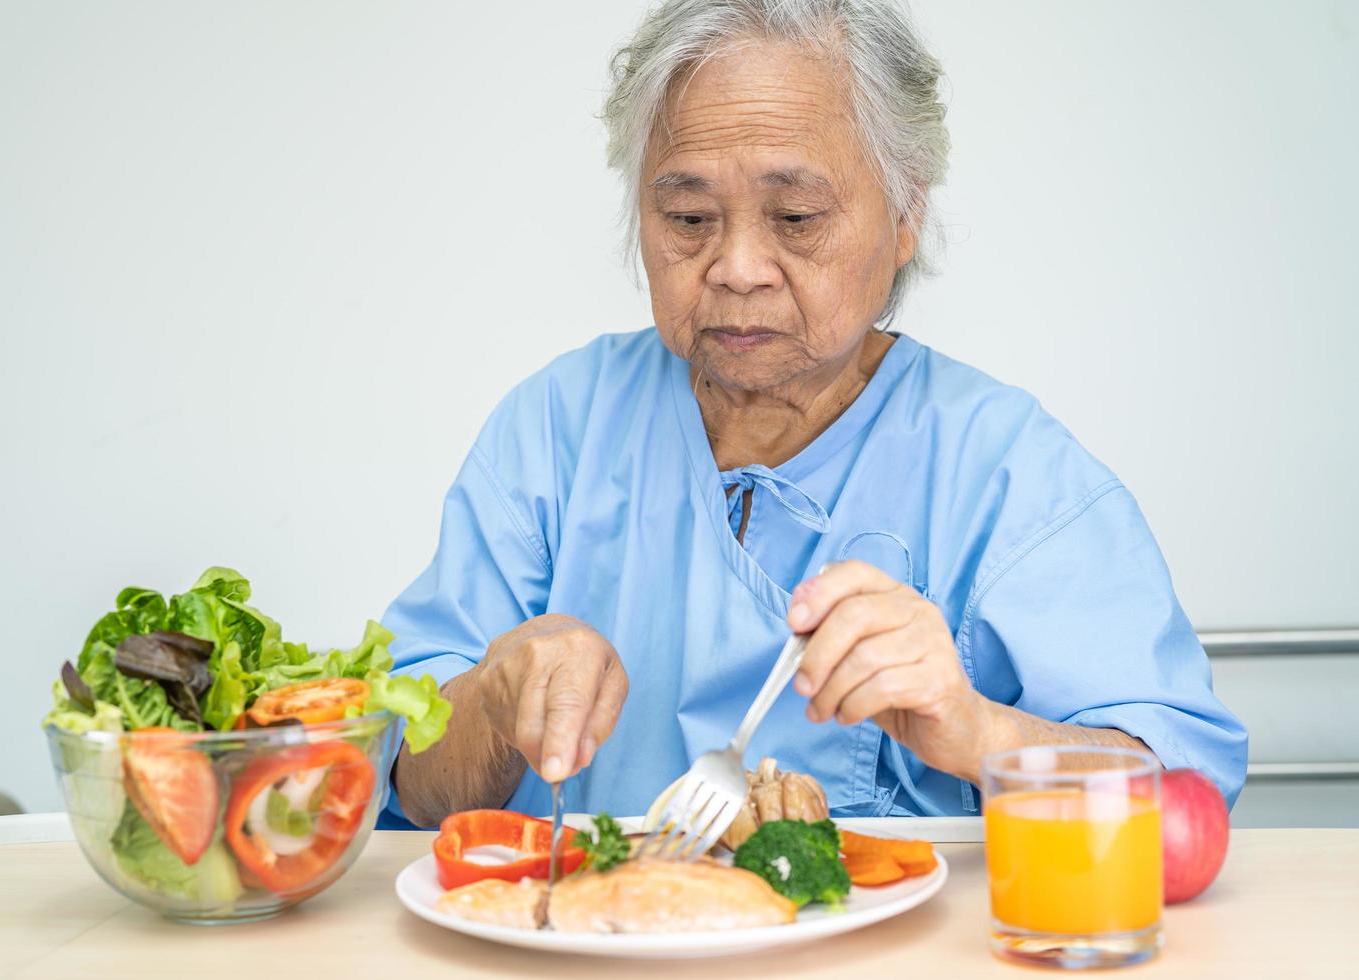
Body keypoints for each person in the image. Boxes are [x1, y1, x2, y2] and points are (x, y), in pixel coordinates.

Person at [380, 0, 1247, 828]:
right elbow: (406, 777)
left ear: (905, 216)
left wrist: (981, 734)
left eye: (795, 216)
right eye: (688, 217)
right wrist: (490, 704)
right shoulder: (555, 431)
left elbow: (1180, 790)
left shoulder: (1007, 472)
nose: (738, 267)